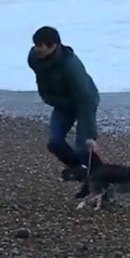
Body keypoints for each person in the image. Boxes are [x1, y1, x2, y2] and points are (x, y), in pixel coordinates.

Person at [27, 26, 103, 196]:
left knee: (84, 146)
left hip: (84, 102)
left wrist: (90, 136)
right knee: (55, 142)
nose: (36, 49)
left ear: (53, 46)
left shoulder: (71, 66)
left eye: (41, 46)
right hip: (62, 104)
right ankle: (84, 173)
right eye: (35, 45)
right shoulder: (34, 58)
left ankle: (103, 180)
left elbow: (86, 101)